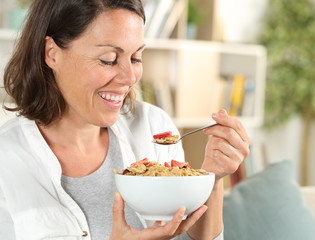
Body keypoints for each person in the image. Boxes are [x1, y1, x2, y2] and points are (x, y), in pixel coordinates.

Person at [0, 0, 251, 239]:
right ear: (52, 53)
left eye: (136, 58)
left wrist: (212, 180)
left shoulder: (155, 127)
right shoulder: (7, 160)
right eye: (108, 59)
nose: (130, 77)